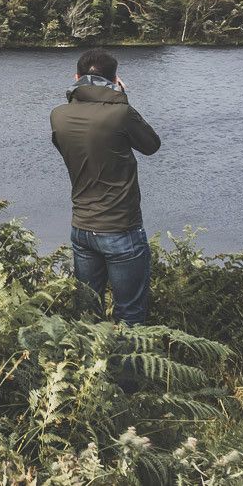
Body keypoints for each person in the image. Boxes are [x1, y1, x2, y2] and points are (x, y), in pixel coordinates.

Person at [50, 49, 161, 325]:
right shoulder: (121, 114)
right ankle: (126, 368)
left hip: (82, 228)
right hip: (120, 228)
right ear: (115, 80)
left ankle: (90, 366)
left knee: (87, 313)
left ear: (76, 78)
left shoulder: (58, 116)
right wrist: (121, 97)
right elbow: (151, 145)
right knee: (130, 314)